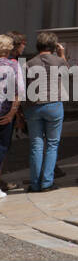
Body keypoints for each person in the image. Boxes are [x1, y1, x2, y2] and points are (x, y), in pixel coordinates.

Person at [24, 32, 69, 192]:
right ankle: (47, 182)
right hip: (54, 105)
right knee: (52, 144)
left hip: (33, 106)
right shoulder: (59, 61)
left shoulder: (29, 63)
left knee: (36, 145)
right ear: (53, 46)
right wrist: (62, 55)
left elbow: (24, 87)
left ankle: (35, 183)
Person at [0, 35, 25, 198]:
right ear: (9, 49)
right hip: (4, 114)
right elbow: (19, 92)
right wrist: (11, 114)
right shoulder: (14, 65)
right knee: (1, 149)